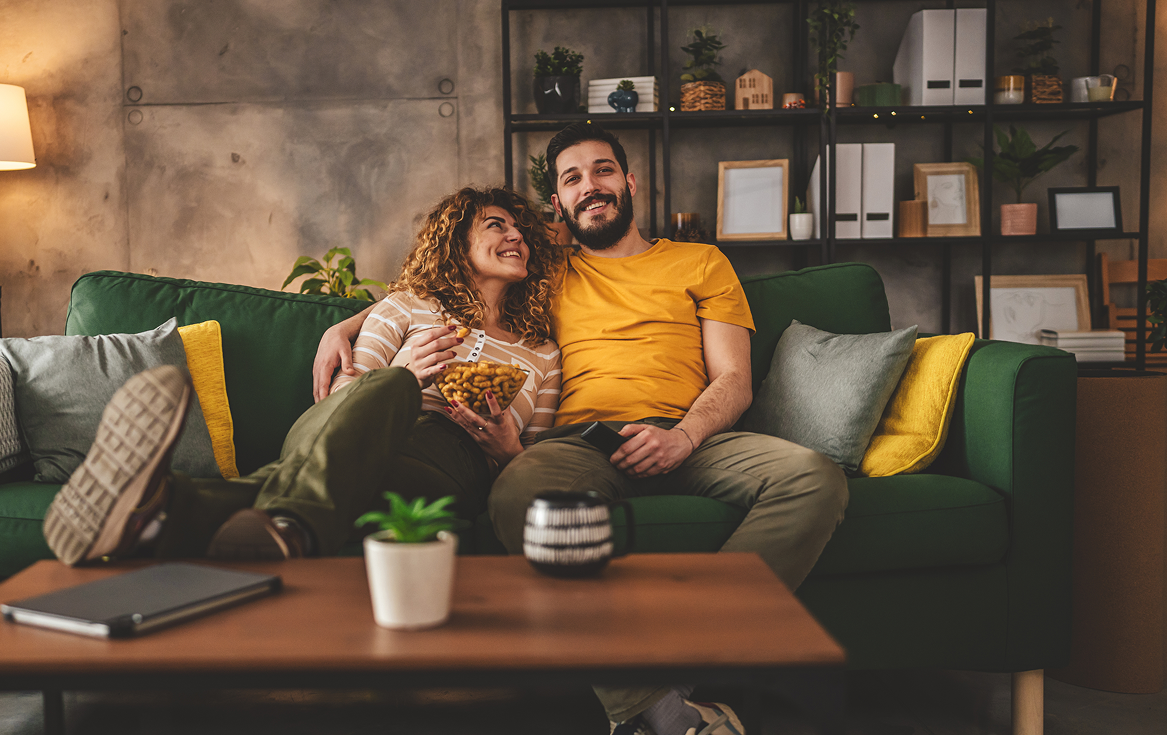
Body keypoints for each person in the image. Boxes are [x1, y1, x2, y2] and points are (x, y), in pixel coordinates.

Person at [312, 123, 848, 735]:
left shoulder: (700, 261)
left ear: (629, 181)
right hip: (579, 444)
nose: (590, 186)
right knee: (517, 494)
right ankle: (660, 704)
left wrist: (684, 436)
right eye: (572, 179)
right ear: (559, 207)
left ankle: (683, 664)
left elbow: (733, 380)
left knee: (814, 479)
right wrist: (346, 326)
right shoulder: (547, 268)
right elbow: (446, 277)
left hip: (693, 434)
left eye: (602, 170)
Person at [42, 185, 564, 568]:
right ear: (456, 240)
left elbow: (532, 463)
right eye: (497, 224)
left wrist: (504, 447)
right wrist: (407, 376)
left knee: (338, 466)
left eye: (520, 230)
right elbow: (341, 395)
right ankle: (286, 527)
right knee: (387, 386)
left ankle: (159, 507)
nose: (516, 234)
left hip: (448, 464)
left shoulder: (542, 354)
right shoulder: (407, 307)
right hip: (349, 426)